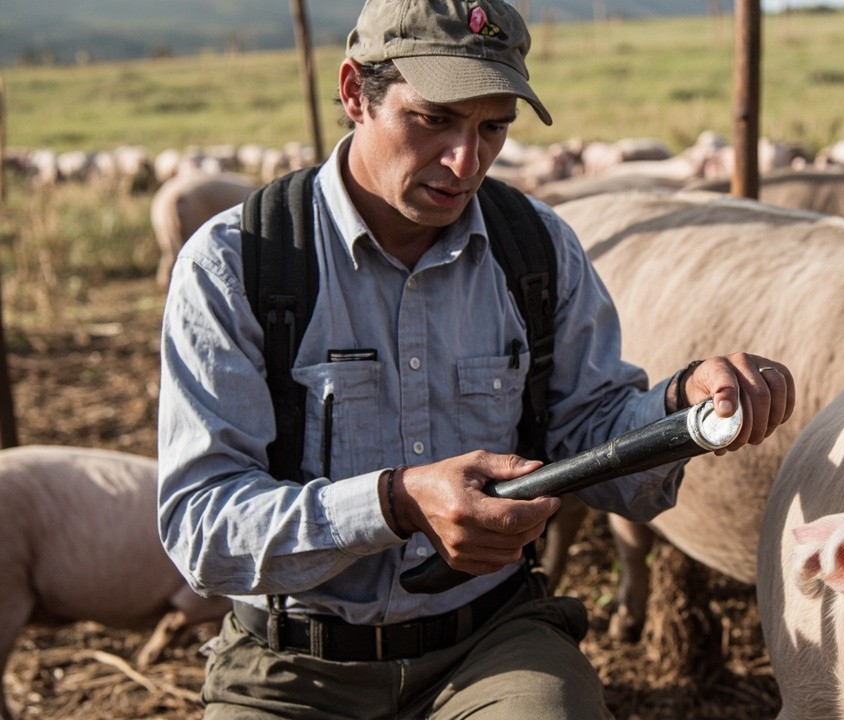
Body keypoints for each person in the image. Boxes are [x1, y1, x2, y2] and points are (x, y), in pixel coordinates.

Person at [156, 1, 795, 718]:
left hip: (488, 642)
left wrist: (682, 408)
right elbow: (201, 527)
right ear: (352, 94)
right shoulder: (240, 264)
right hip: (292, 664)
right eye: (433, 118)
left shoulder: (537, 250)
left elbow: (595, 435)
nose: (467, 161)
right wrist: (395, 503)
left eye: (493, 127)